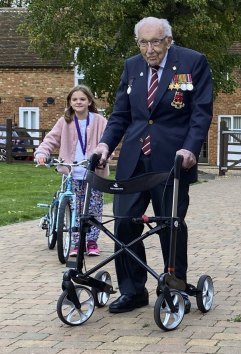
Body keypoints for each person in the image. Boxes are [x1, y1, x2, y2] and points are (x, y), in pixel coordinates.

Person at [94, 16, 213, 314]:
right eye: (144, 42)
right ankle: (133, 292)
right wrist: (105, 144)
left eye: (156, 42)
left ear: (168, 40)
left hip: (172, 161)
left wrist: (190, 148)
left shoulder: (193, 63)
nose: (150, 49)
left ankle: (175, 286)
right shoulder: (132, 67)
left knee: (169, 226)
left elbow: (200, 112)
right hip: (134, 161)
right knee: (123, 224)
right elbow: (121, 114)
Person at [35, 85, 109, 257]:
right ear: (69, 102)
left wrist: (104, 158)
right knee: (75, 207)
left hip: (93, 171)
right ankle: (76, 242)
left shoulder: (99, 120)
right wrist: (41, 153)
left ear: (89, 101)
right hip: (71, 171)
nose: (78, 102)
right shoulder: (65, 121)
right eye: (74, 99)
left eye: (82, 99)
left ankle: (91, 242)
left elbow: (109, 141)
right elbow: (50, 140)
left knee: (94, 208)